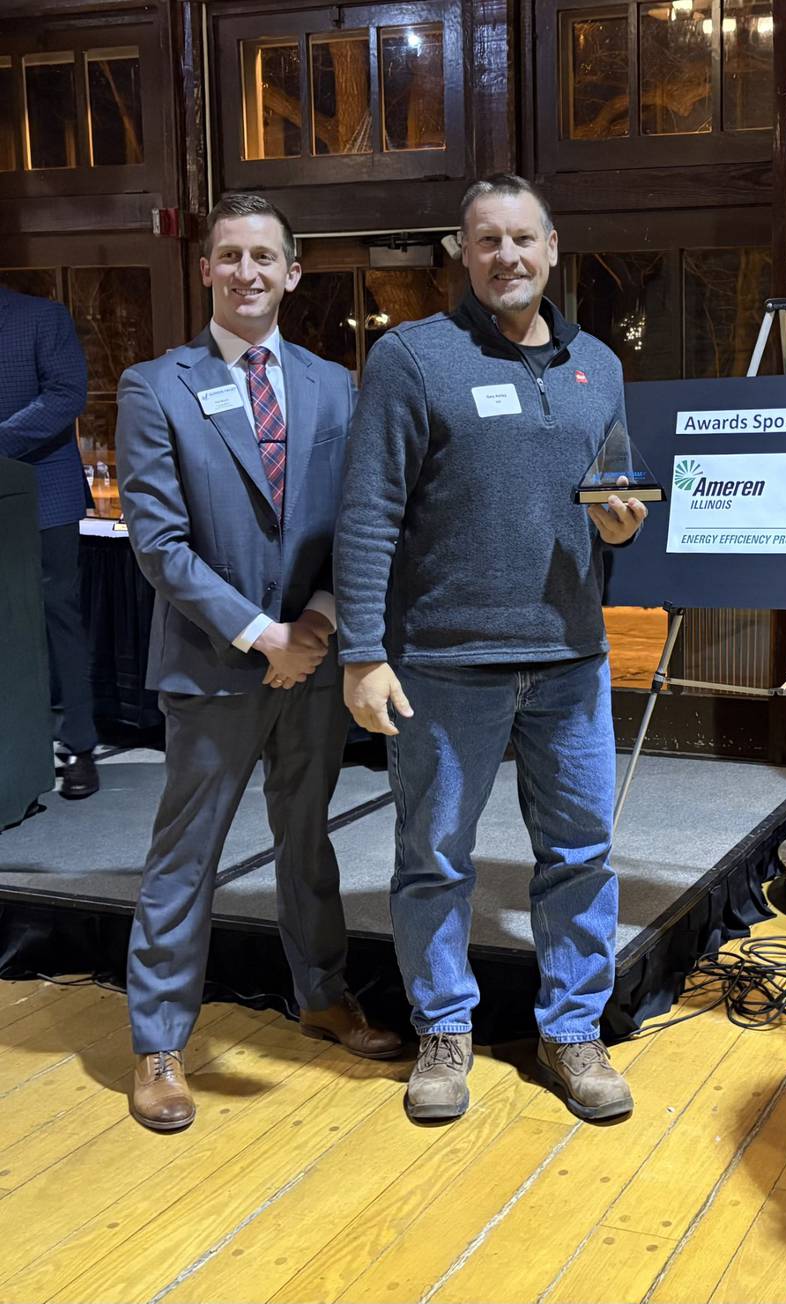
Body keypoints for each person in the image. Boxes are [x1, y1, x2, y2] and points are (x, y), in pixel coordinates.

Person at [335, 173, 646, 1125]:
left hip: (570, 658)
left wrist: (623, 527)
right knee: (433, 856)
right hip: (441, 662)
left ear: (554, 248)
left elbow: (615, 487)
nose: (506, 256)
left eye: (523, 239)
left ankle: (572, 1032)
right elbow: (369, 512)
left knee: (582, 855)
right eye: (486, 242)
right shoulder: (412, 360)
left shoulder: (599, 364)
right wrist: (361, 650)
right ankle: (444, 1032)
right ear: (461, 256)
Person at [116, 193, 401, 1133]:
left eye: (263, 257)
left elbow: (353, 524)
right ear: (205, 270)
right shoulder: (154, 387)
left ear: (293, 271)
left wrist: (314, 623)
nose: (246, 272)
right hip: (214, 668)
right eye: (228, 256)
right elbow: (158, 543)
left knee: (308, 841)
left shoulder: (333, 385)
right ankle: (159, 1042)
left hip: (312, 664)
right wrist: (261, 634)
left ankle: (321, 997)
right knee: (185, 858)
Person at [0, 286, 98, 799]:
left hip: (41, 495)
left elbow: (66, 394)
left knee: (55, 617)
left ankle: (77, 748)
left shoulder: (41, 317)